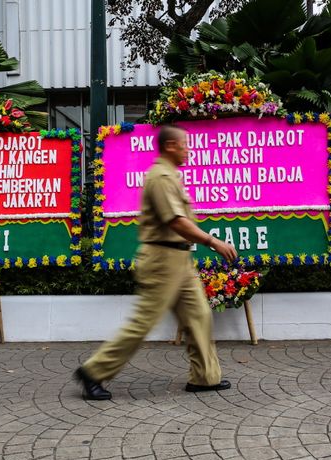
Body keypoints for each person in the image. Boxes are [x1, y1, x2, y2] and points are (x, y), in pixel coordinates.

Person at [74, 124, 238, 400]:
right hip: (162, 260)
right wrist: (213, 242)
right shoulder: (160, 177)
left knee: (199, 315)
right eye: (184, 145)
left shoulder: (171, 175)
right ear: (171, 146)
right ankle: (93, 372)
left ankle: (205, 377)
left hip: (179, 259)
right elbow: (176, 221)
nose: (188, 150)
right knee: (143, 322)